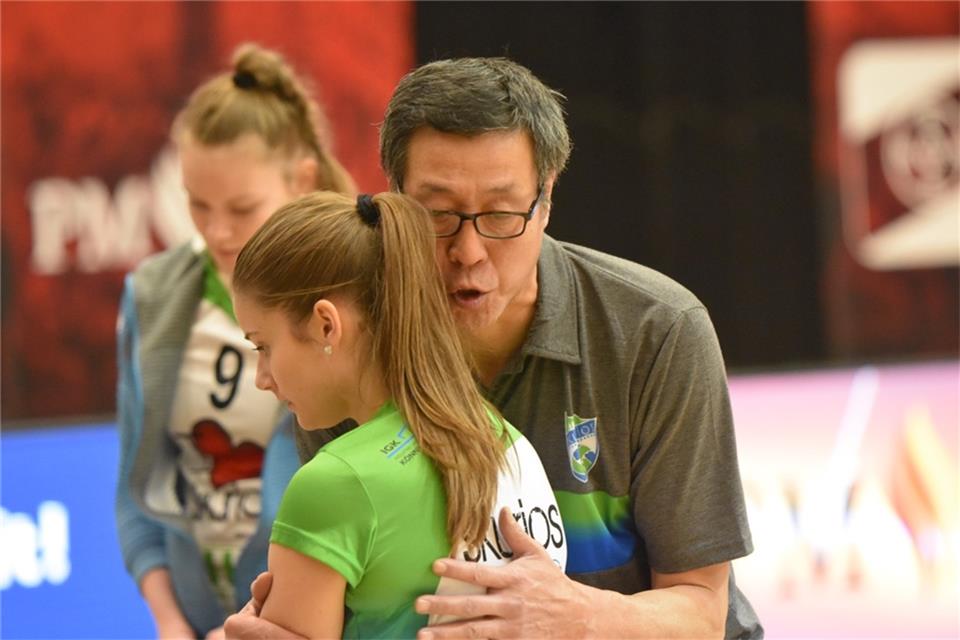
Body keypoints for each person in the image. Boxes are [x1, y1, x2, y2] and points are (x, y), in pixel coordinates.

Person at [226, 56, 761, 639]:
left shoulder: (658, 330)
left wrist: (571, 616)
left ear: (547, 198)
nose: (470, 252)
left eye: (502, 214)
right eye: (438, 215)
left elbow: (701, 611)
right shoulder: (347, 349)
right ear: (395, 200)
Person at [231, 190, 567, 638]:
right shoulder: (502, 437)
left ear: (326, 325)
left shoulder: (333, 485)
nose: (262, 377)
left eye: (263, 346)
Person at [114, 43, 355, 639]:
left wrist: (268, 622)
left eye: (241, 208)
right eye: (195, 203)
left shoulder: (357, 289)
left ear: (302, 181)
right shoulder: (152, 295)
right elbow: (136, 492)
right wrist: (172, 625)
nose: (217, 230)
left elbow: (376, 487)